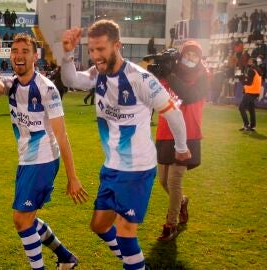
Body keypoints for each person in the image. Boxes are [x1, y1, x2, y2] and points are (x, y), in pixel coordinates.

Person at [61, 20, 191, 269]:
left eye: (101, 49)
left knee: (125, 231)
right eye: (91, 50)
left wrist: (181, 148)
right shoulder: (97, 74)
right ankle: (137, 264)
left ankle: (135, 264)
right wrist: (67, 53)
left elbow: (173, 112)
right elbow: (70, 80)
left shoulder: (139, 78)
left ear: (117, 46)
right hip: (112, 167)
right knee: (98, 226)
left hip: (137, 168)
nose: (95, 56)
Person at [0, 33, 88, 270]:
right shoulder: (12, 85)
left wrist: (72, 177)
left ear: (35, 57)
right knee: (27, 218)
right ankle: (66, 258)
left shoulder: (47, 89)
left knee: (21, 220)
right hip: (26, 160)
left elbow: (62, 135)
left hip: (43, 160)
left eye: (25, 51)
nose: (19, 56)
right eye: (15, 51)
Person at [155, 40, 208, 241]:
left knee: (174, 180)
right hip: (165, 131)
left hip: (189, 133)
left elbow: (188, 95)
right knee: (163, 181)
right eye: (188, 54)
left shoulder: (203, 76)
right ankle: (183, 202)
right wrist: (159, 72)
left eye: (195, 55)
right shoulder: (169, 73)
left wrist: (168, 74)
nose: (191, 58)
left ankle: (171, 224)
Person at [238, 58, 262, 131]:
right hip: (256, 92)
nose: (248, 63)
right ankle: (252, 126)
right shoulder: (258, 70)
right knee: (251, 109)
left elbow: (249, 82)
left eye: (250, 62)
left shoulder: (251, 70)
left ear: (253, 63)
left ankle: (246, 125)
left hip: (250, 92)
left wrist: (241, 79)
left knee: (241, 107)